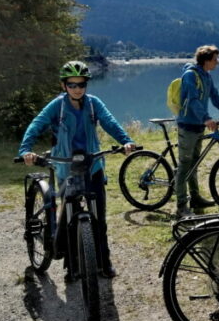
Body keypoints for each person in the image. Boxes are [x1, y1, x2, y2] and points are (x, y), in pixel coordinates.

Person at [18, 60, 139, 279]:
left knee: (99, 219)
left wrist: (126, 141)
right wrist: (26, 149)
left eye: (81, 84)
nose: (77, 88)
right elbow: (37, 124)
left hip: (92, 165)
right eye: (72, 84)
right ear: (64, 85)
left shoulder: (93, 104)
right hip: (66, 167)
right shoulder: (58, 105)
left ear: (86, 85)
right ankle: (72, 265)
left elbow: (110, 122)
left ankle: (104, 262)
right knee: (69, 217)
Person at [174, 45, 219, 219]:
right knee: (185, 165)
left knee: (194, 163)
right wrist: (207, 118)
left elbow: (214, 96)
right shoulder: (190, 75)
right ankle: (180, 207)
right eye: (215, 59)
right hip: (187, 126)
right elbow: (193, 100)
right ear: (207, 60)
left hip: (198, 126)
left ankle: (195, 199)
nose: (217, 63)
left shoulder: (206, 76)